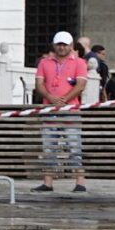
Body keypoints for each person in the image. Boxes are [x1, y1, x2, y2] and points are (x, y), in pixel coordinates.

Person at [35, 30, 90, 194]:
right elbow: (39, 84)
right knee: (49, 146)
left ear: (71, 46)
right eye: (59, 44)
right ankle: (48, 182)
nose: (61, 47)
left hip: (71, 109)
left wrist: (64, 99)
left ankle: (80, 181)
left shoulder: (79, 62)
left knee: (74, 145)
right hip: (50, 108)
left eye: (65, 44)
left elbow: (80, 85)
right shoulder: (44, 63)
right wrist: (51, 98)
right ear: (54, 45)